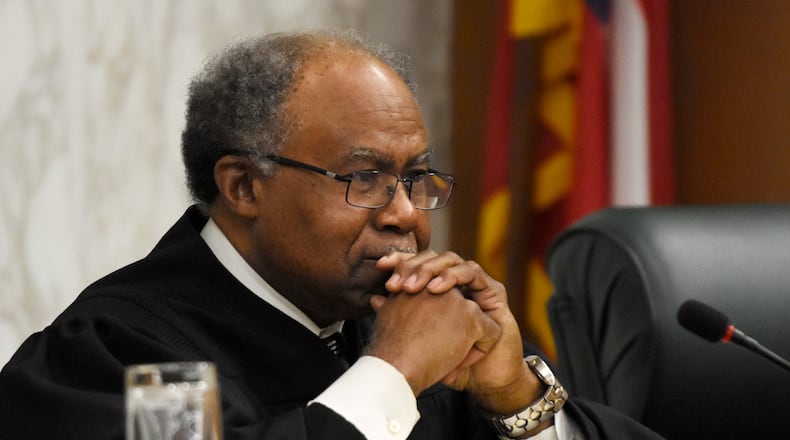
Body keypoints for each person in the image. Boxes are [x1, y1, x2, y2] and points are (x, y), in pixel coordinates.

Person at [0, 30, 661, 439]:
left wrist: (515, 395)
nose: (405, 213)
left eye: (417, 178)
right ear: (243, 187)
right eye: (365, 177)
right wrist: (391, 375)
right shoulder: (131, 354)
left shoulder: (409, 324)